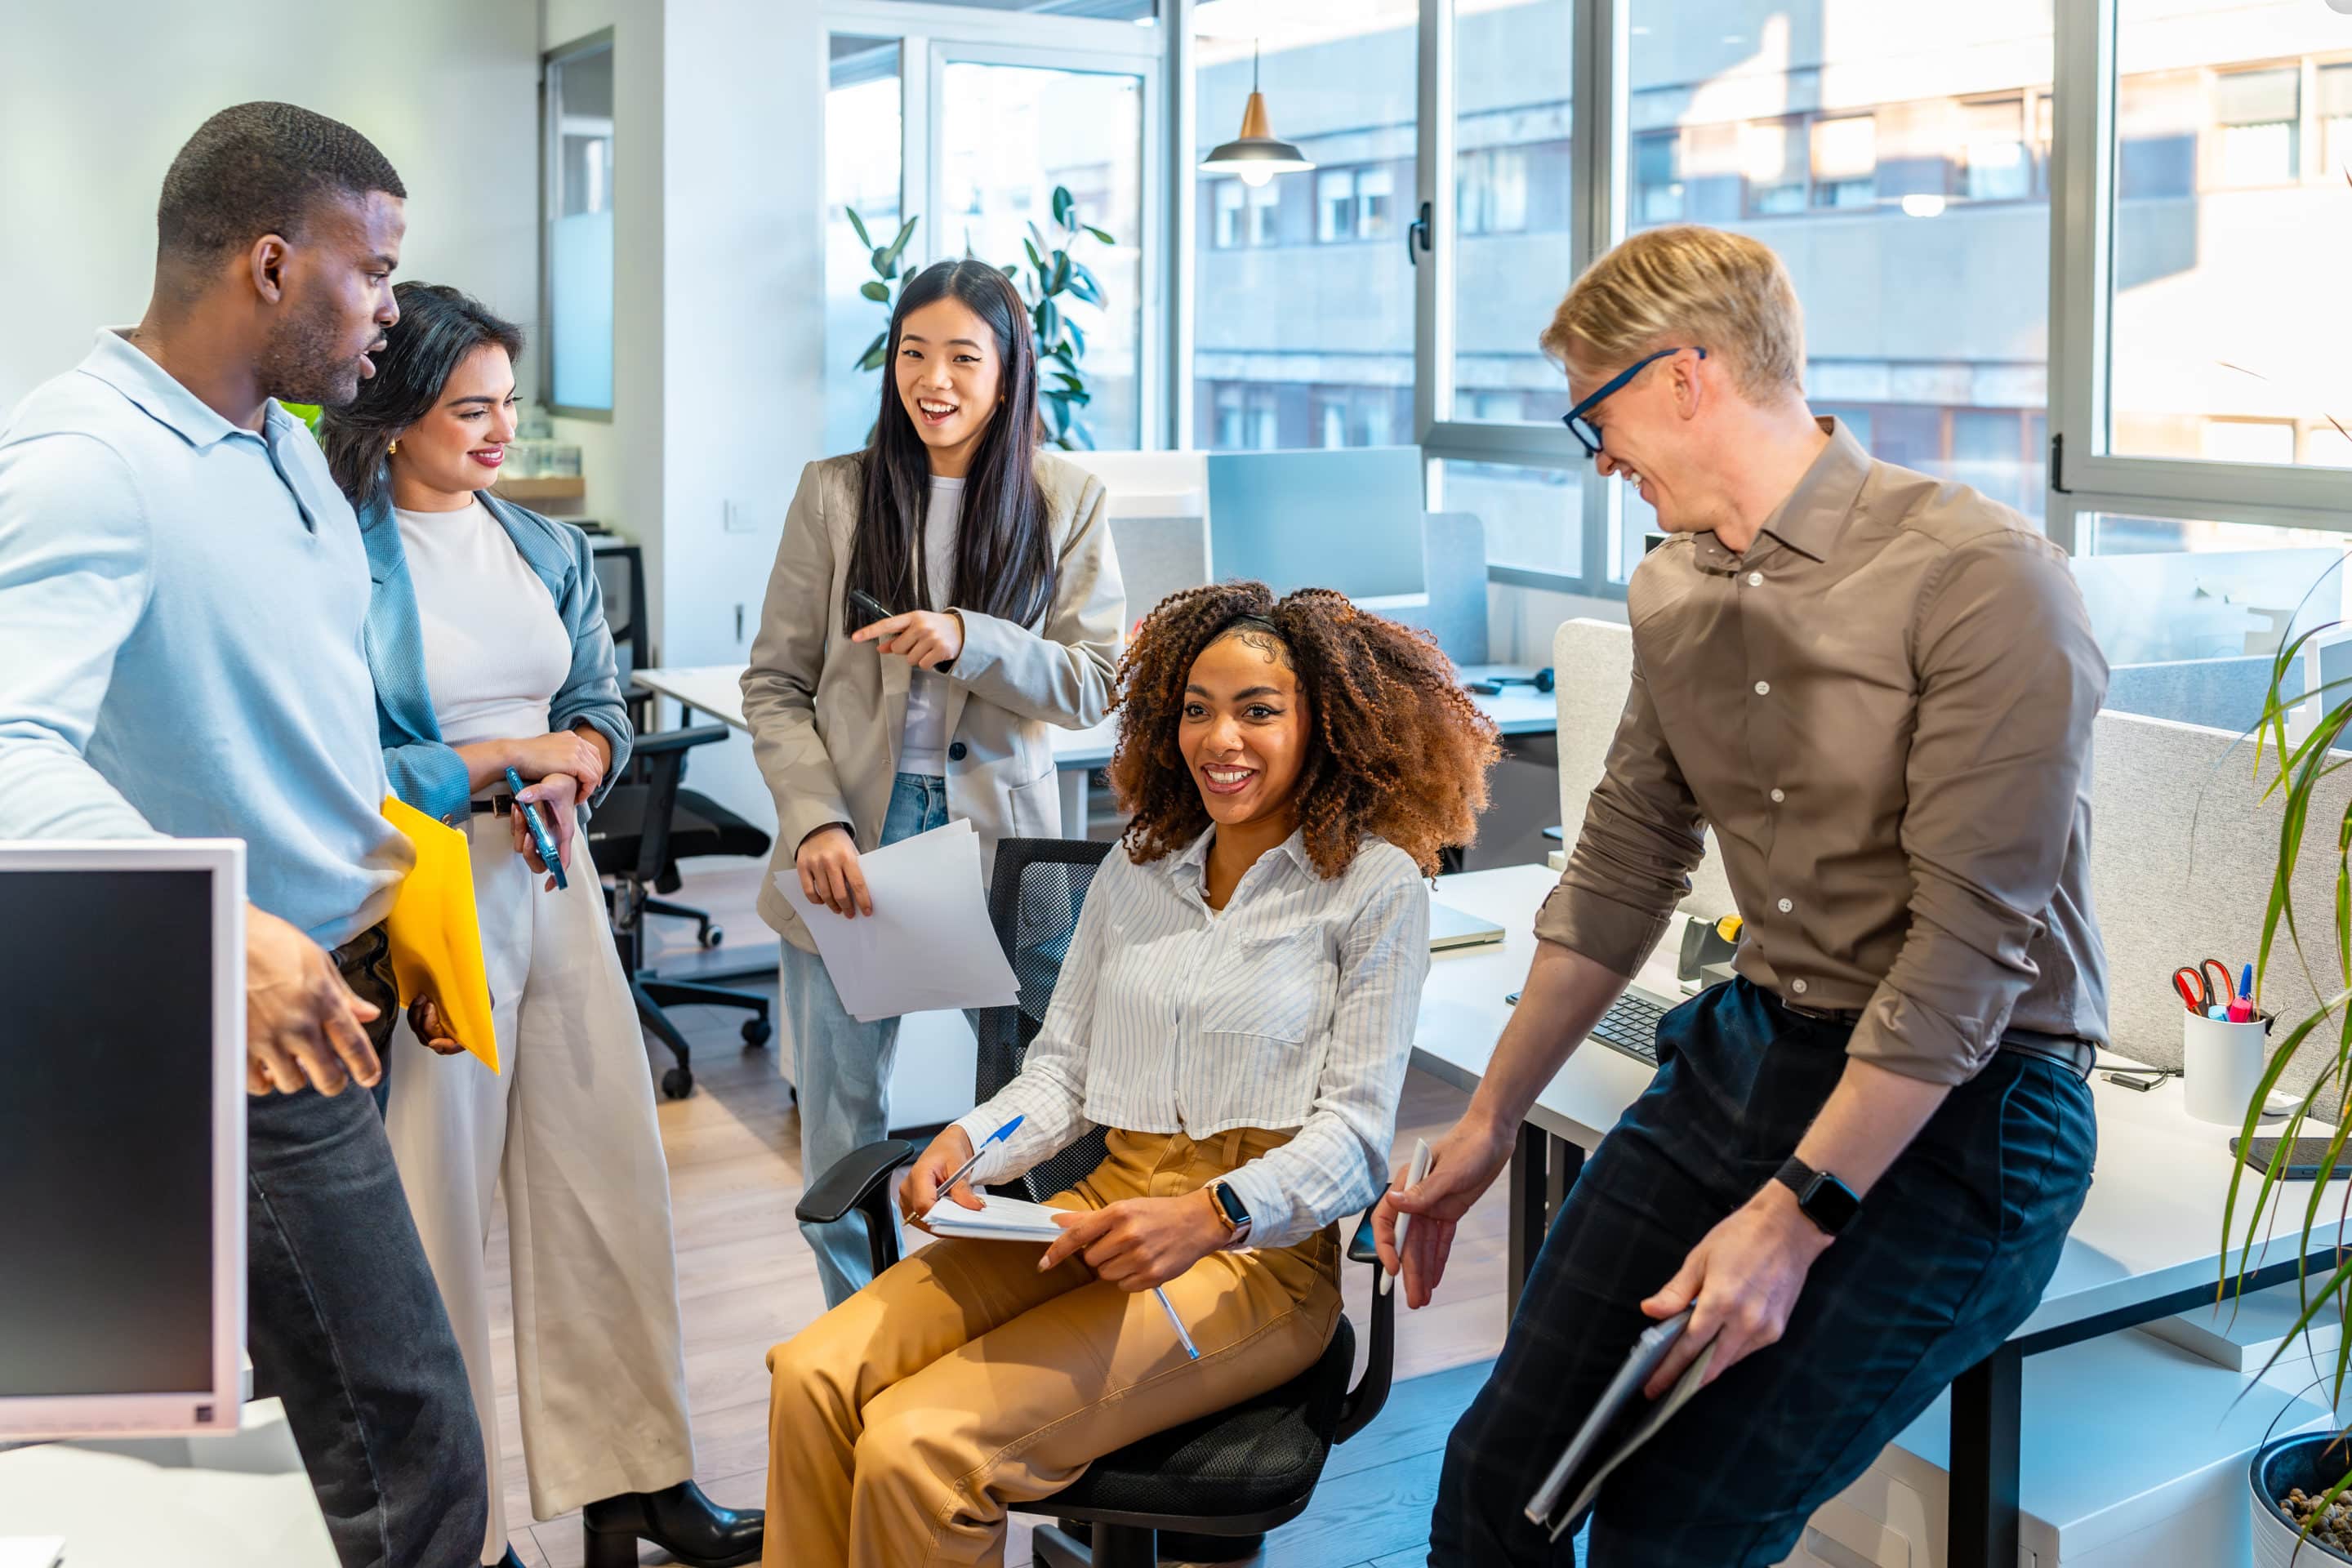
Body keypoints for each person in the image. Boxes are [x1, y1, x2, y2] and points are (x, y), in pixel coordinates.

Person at [1372, 224, 2109, 1567]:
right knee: (1498, 1477)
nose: (1595, 452)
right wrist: (1488, 1124)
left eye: (1594, 410)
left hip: (1976, 1110)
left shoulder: (1981, 578)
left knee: (1680, 1530)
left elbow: (1965, 953)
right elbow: (1622, 867)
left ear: (1684, 377)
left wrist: (1795, 1219)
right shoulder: (1670, 589)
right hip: (1756, 1051)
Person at [762, 583, 1500, 1567]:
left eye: (1258, 709)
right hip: (1095, 1210)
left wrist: (1210, 1215)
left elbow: (1359, 1137)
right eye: (1197, 708)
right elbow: (1063, 1070)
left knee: (918, 1447)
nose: (1219, 738)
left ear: (1327, 725)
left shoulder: (1375, 888)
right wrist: (971, 1141)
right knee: (810, 1372)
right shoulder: (1140, 868)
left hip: (1250, 1257)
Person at [0, 103, 488, 1566]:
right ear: (272, 266)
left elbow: (283, 709)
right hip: (232, 1027)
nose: (396, 315)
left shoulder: (282, 444)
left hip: (327, 984)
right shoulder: (88, 459)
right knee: (412, 1440)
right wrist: (236, 937)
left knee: (299, 1429)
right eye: (376, 272)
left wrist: (380, 885)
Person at [316, 283, 761, 1568]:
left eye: (510, 405)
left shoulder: (543, 547)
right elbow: (340, 755)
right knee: (434, 1209)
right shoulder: (339, 555)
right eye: (472, 408)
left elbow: (602, 700)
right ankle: (461, 1529)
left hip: (555, 891)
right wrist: (500, 756)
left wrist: (578, 752)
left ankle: (639, 1482)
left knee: (608, 1186)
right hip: (426, 901)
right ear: (398, 415)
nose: (500, 431)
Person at [742, 256, 1127, 1307]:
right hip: (852, 847)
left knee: (1023, 1111)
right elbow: (775, 682)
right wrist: (814, 822)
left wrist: (970, 639)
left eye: (964, 355)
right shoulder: (836, 492)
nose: (935, 379)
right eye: (916, 353)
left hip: (1006, 851)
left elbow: (1096, 683)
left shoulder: (1068, 499)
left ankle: (993, 1328)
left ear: (1008, 373)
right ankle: (859, 1334)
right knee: (841, 1125)